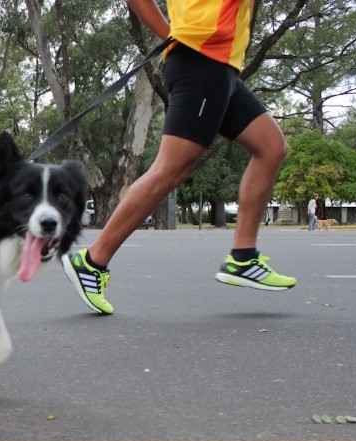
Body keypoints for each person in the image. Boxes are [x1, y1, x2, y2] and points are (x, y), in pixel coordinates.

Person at [61, 0, 296, 315]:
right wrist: (172, 33)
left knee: (271, 147)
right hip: (201, 61)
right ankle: (92, 261)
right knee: (170, 169)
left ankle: (242, 257)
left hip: (221, 66)